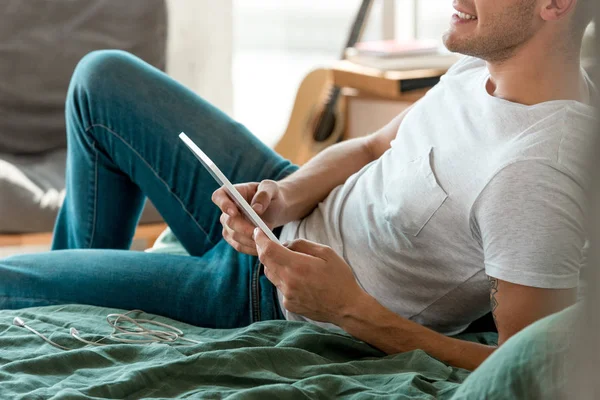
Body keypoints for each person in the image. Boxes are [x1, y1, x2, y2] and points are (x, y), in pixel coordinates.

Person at [1, 0, 596, 370]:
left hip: (274, 293)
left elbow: (529, 369)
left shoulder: (536, 173)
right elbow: (369, 148)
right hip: (290, 211)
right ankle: (78, 283)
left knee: (11, 280)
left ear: (555, 3)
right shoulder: (486, 59)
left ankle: (70, 290)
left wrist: (352, 310)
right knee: (101, 79)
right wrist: (286, 194)